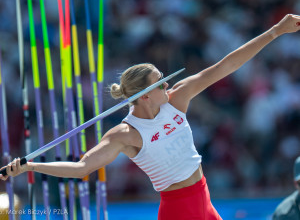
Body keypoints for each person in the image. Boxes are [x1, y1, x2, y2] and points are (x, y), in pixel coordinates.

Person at [1, 14, 300, 220]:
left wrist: (275, 31)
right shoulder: (125, 135)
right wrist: (30, 164)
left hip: (204, 199)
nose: (168, 85)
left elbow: (226, 65)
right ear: (143, 95)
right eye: (160, 82)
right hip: (178, 211)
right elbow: (81, 168)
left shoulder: (177, 99)